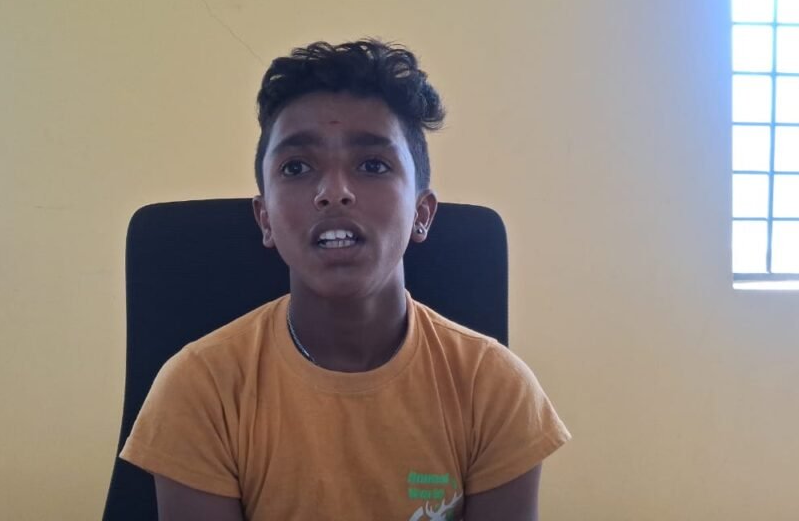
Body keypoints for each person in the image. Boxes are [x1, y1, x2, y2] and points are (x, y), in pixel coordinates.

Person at [120, 39, 570, 521]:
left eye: (373, 165)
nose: (333, 192)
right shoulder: (200, 389)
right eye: (296, 167)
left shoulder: (496, 389)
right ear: (265, 219)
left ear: (421, 214)